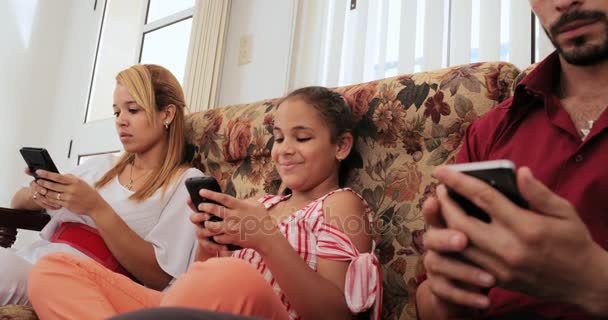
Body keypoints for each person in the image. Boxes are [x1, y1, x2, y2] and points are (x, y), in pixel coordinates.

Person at [27, 86, 382, 320]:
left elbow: (336, 315)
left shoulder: (340, 205)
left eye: (301, 138)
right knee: (53, 269)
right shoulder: (260, 204)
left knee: (231, 274)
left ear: (341, 146)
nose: (284, 149)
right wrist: (207, 248)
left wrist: (267, 241)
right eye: (277, 138)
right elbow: (198, 285)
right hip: (193, 308)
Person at [416, 0, 608, 319]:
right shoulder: (490, 130)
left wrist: (593, 282)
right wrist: (449, 300)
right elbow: (429, 296)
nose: (563, 2)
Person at [4, 64, 203, 305]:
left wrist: (96, 208)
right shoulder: (101, 166)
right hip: (33, 258)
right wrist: (38, 192)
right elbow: (17, 203)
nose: (121, 121)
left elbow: (159, 277)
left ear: (167, 114)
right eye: (117, 113)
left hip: (78, 281)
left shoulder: (185, 183)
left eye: (133, 110)